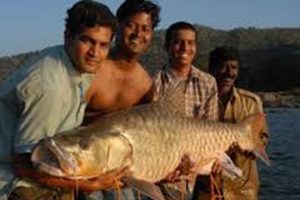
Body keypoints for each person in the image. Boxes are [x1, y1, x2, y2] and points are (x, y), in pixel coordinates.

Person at [0, 0, 117, 199]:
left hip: (45, 170)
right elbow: (24, 165)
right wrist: (88, 185)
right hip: (15, 182)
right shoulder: (50, 87)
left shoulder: (76, 66)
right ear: (67, 37)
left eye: (103, 45)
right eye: (87, 40)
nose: (95, 53)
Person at [152, 21, 219, 199]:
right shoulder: (153, 82)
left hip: (194, 167)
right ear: (167, 46)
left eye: (190, 43)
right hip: (161, 169)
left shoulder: (208, 82)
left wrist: (215, 157)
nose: (185, 48)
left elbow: (211, 128)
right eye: (178, 42)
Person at [192, 46, 269, 200]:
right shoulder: (197, 102)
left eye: (233, 67)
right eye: (223, 67)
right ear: (211, 69)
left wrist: (251, 149)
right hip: (207, 189)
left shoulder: (251, 102)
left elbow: (263, 138)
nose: (229, 72)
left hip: (243, 191)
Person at [84, 0, 161, 124]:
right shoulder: (92, 66)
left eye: (145, 29)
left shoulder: (146, 86)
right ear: (117, 25)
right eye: (131, 25)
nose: (138, 34)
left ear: (151, 34)